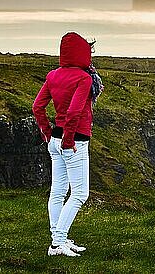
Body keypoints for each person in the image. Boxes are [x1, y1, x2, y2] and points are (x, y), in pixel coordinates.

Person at [32, 32, 104, 257]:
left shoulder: (53, 75)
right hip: (74, 142)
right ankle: (57, 243)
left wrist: (46, 132)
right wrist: (69, 140)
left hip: (55, 139)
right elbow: (74, 112)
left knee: (58, 191)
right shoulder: (85, 78)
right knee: (80, 194)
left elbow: (38, 107)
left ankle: (57, 238)